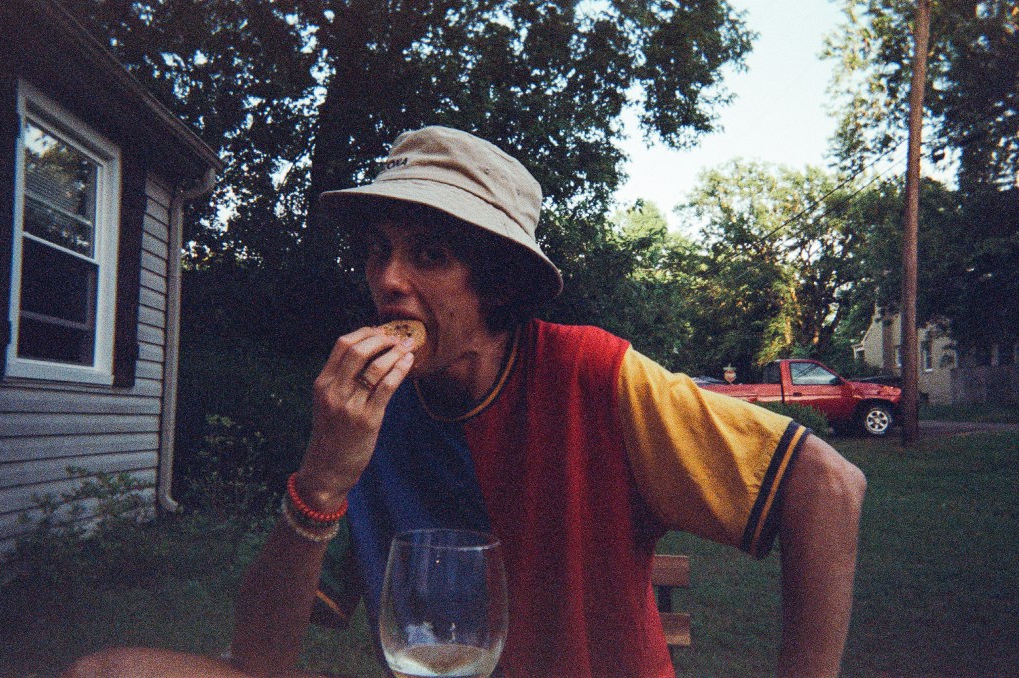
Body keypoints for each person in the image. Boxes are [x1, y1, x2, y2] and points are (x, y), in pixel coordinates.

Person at [65, 126, 866, 678]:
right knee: (106, 671)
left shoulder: (593, 376)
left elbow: (828, 486)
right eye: (379, 250)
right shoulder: (368, 417)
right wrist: (322, 476)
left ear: (496, 281)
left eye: (429, 253)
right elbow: (261, 658)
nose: (388, 280)